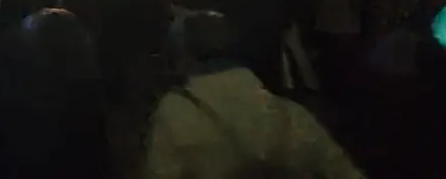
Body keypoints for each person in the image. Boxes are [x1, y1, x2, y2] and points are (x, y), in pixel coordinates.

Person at [142, 11, 361, 178]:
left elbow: (160, 172)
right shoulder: (288, 113)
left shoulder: (174, 113)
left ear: (183, 54)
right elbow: (341, 169)